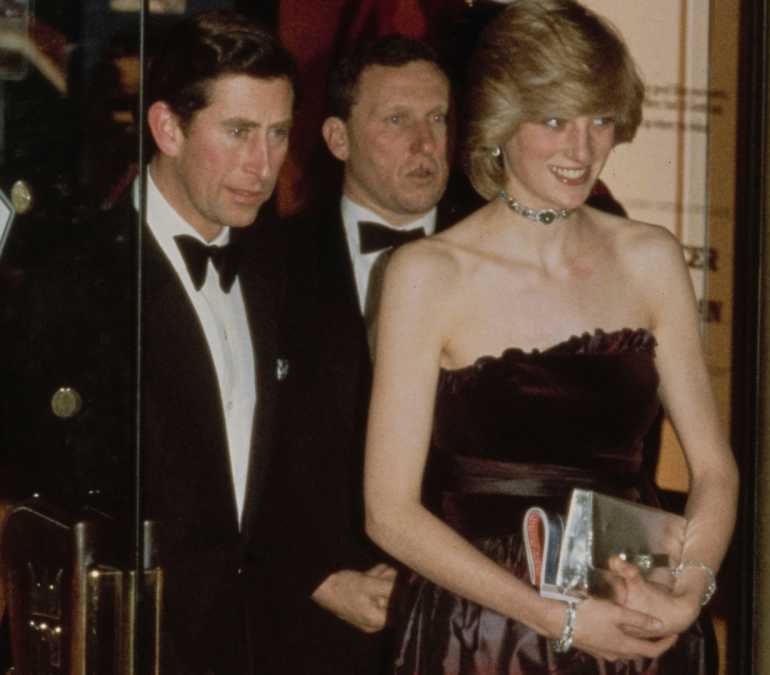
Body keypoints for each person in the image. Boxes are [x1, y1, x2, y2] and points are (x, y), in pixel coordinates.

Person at [362, 1, 739, 673]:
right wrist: (554, 615)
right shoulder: (427, 273)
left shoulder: (649, 257)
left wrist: (688, 590)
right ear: (501, 124)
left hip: (632, 609)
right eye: (555, 120)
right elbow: (389, 512)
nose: (582, 148)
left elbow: (713, 469)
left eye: (598, 119)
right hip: (482, 633)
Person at [0, 11, 313, 674]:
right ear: (167, 127)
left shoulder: (278, 269)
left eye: (278, 133)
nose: (263, 163)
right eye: (238, 132)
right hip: (110, 645)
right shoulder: (74, 276)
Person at [264, 33, 459, 673]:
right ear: (337, 139)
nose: (425, 143)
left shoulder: (500, 260)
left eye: (437, 118)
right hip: (307, 628)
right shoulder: (268, 269)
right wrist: (319, 577)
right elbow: (220, 453)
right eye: (397, 120)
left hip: (472, 625)